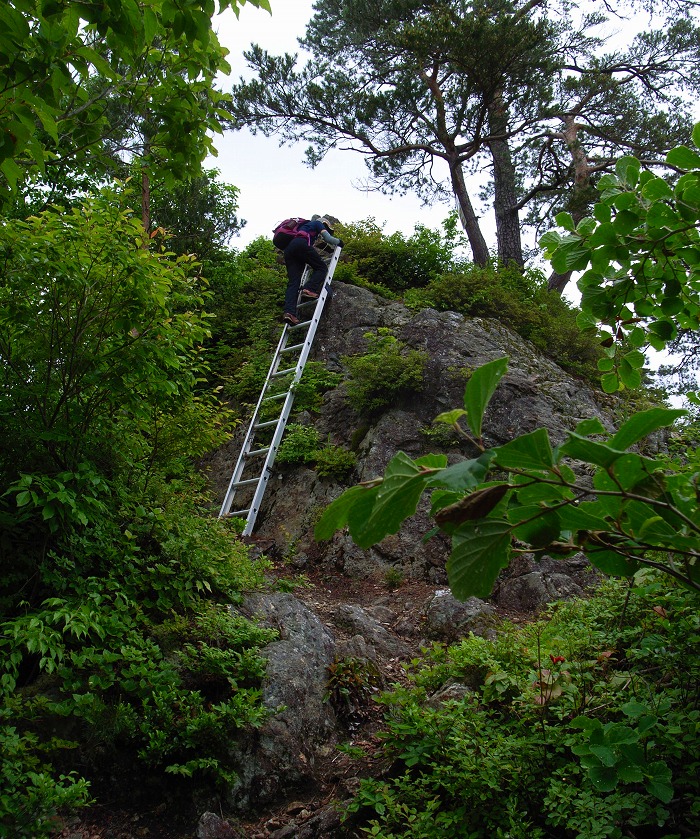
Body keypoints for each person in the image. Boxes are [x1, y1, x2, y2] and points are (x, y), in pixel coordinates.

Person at [273, 214, 343, 325]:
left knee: (293, 282)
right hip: (300, 244)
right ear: (324, 223)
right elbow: (328, 238)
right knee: (321, 268)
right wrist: (339, 243)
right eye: (327, 228)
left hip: (288, 251)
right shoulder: (317, 223)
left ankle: (289, 313)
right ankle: (309, 289)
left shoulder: (302, 227)